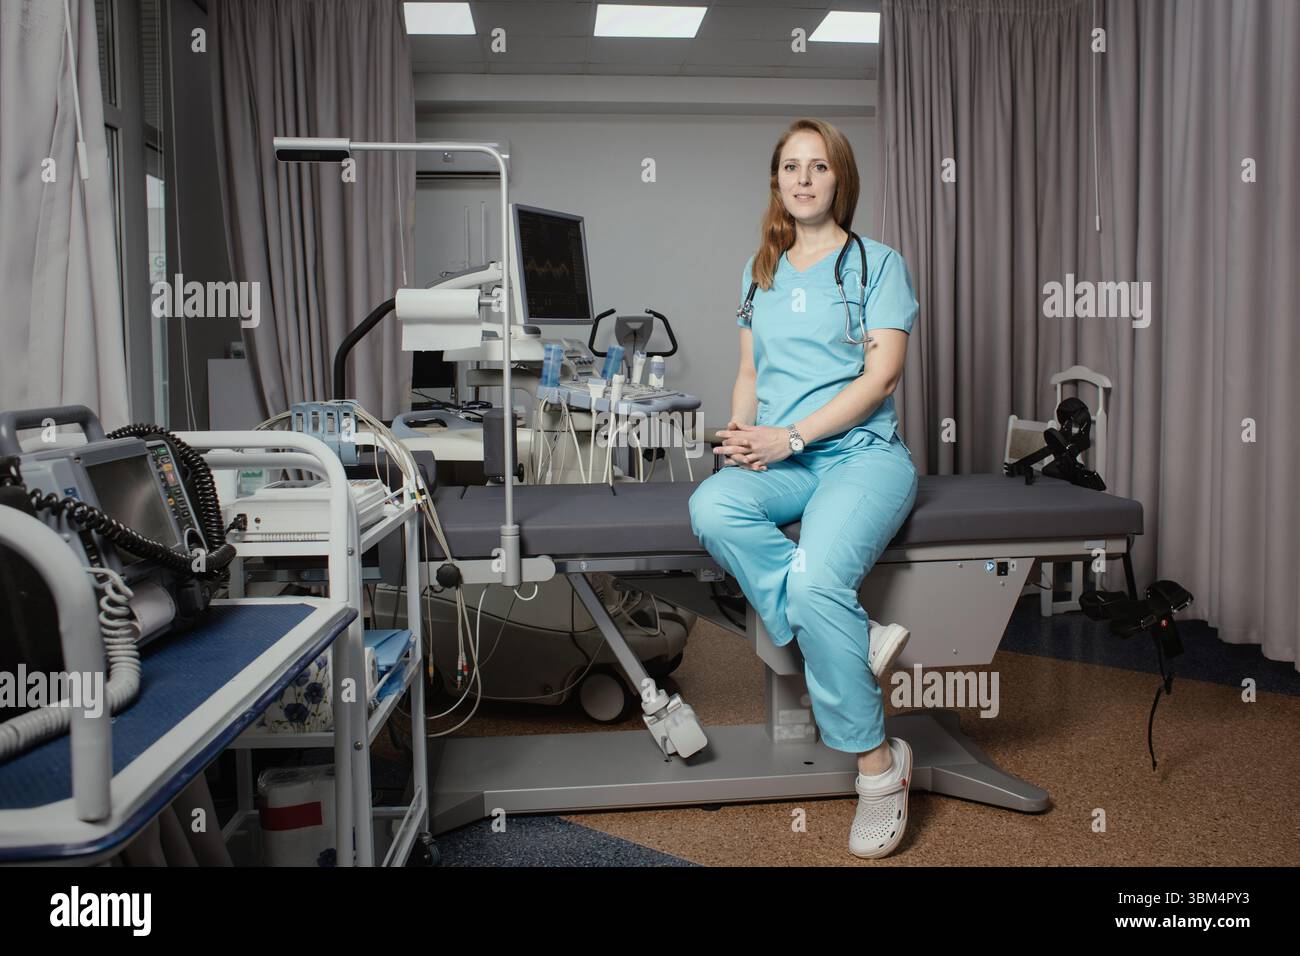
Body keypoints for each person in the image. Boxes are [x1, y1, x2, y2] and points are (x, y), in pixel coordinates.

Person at [687, 118, 920, 859]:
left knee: (819, 581)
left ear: (839, 179)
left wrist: (788, 438)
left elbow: (882, 375)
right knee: (711, 506)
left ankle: (879, 771)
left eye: (818, 167)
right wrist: (737, 436)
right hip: (780, 461)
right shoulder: (760, 270)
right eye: (791, 166)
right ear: (778, 181)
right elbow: (752, 375)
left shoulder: (878, 265)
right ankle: (858, 637)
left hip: (860, 457)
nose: (804, 178)